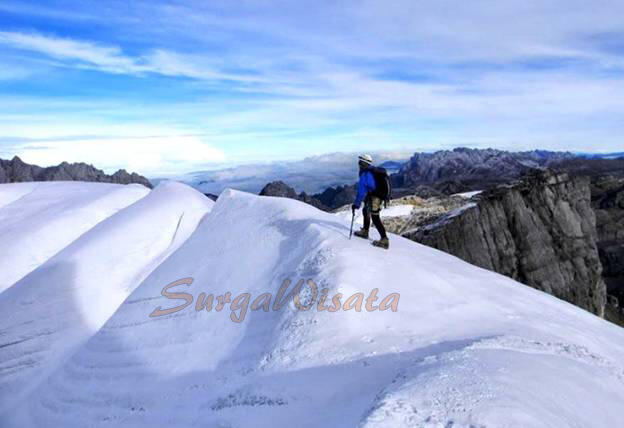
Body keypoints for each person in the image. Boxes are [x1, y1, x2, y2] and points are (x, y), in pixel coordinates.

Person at [351, 154, 389, 249]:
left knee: (375, 217)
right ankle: (365, 231)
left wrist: (356, 204)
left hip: (376, 196)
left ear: (364, 163)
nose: (358, 164)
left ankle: (384, 240)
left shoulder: (365, 174)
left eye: (360, 162)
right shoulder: (372, 170)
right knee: (365, 211)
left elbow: (361, 192)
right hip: (373, 194)